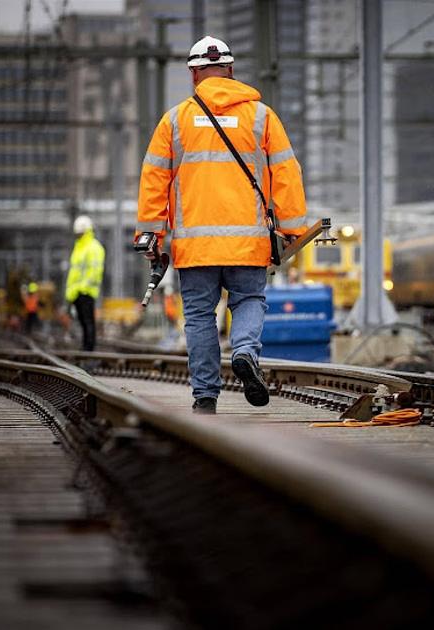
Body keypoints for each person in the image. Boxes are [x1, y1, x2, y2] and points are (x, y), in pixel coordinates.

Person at [135, 35, 309, 415]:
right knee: (248, 300)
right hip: (247, 243)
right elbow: (286, 173)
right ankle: (245, 351)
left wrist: (151, 235)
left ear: (194, 74)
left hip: (195, 247)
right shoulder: (262, 117)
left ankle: (205, 396)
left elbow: (154, 179)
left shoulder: (175, 121)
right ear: (230, 71)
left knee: (199, 317)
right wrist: (293, 229)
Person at [65, 215, 105, 351]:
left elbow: (94, 272)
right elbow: (74, 272)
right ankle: (85, 347)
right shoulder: (79, 247)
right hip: (76, 292)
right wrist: (70, 290)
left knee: (88, 321)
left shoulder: (94, 248)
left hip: (86, 291)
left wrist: (82, 287)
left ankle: (89, 349)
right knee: (82, 321)